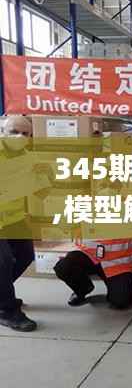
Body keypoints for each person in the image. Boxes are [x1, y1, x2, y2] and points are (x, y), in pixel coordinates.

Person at [54, 181, 132, 309]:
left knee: (120, 302)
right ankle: (83, 289)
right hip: (88, 256)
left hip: (116, 263)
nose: (107, 190)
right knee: (63, 267)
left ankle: (118, 288)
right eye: (103, 186)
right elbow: (63, 225)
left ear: (120, 188)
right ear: (96, 188)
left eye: (112, 186)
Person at [0, 116, 38, 332]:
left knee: (26, 255)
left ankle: (2, 293)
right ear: (2, 132)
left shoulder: (26, 157)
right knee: (3, 261)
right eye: (14, 132)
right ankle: (6, 310)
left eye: (25, 134)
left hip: (13, 217)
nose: (20, 137)